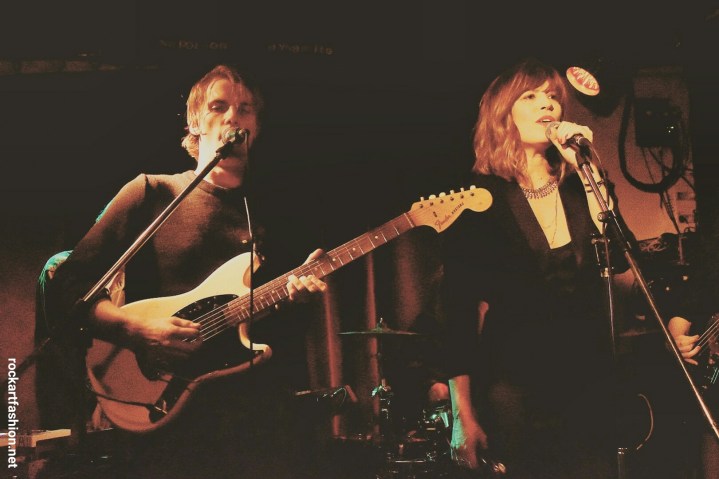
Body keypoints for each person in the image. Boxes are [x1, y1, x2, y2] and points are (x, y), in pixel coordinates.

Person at [48, 64, 327, 478]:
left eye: (245, 109)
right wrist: (134, 331)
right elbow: (68, 285)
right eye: (219, 106)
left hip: (255, 420)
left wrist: (297, 299)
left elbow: (279, 334)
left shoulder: (274, 213)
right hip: (164, 418)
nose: (233, 117)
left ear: (256, 127)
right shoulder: (151, 192)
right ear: (195, 122)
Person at [440, 58, 636, 478]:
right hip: (515, 385)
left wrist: (587, 171)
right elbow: (457, 310)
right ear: (503, 114)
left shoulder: (580, 183)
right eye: (530, 96)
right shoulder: (480, 197)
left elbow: (620, 256)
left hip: (587, 378)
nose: (547, 104)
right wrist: (462, 416)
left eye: (552, 97)